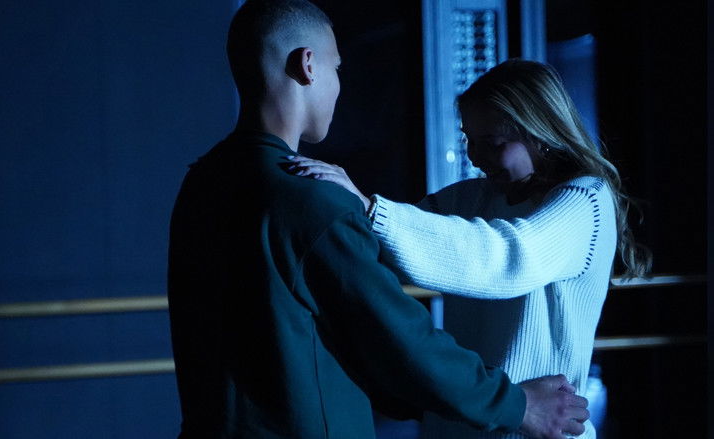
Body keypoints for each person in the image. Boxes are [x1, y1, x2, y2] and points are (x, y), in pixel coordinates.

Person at [168, 2, 589, 438]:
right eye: (336, 68)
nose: (338, 85)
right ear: (307, 65)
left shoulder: (202, 182)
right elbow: (398, 339)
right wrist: (518, 405)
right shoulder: (309, 198)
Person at [289, 59, 652, 438]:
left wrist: (371, 209)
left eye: (492, 144)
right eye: (470, 141)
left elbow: (510, 258)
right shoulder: (475, 197)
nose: (475, 157)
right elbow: (383, 242)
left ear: (540, 133)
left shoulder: (585, 199)